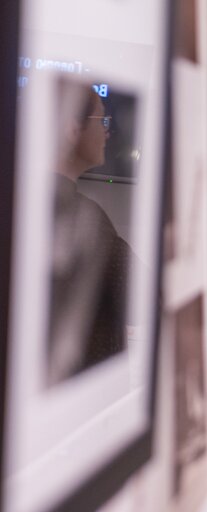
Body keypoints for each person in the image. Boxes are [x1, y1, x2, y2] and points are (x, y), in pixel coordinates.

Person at [48, 80, 134, 385]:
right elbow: (142, 292)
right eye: (102, 120)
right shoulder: (87, 219)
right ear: (73, 128)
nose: (108, 131)